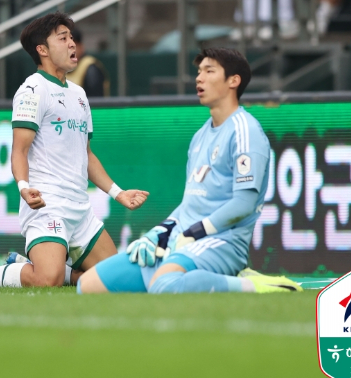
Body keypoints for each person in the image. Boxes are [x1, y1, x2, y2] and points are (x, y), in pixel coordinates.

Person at [0, 12, 149, 289]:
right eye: (63, 38)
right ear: (42, 50)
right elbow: (19, 151)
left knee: (116, 282)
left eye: (72, 37)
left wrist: (118, 192)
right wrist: (24, 186)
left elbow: (86, 154)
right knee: (46, 279)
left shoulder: (79, 94)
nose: (72, 44)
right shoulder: (32, 90)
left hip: (80, 210)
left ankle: (24, 265)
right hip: (47, 206)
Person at [77, 48, 302, 295]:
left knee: (164, 285)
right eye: (198, 71)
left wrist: (196, 231)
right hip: (184, 239)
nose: (199, 78)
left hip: (222, 242)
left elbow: (244, 203)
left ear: (233, 81)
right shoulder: (199, 136)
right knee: (87, 286)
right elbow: (190, 205)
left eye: (209, 71)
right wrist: (158, 233)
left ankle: (255, 286)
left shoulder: (245, 130)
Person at [65, 28, 109, 97]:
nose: (69, 50)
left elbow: (95, 101)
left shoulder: (90, 68)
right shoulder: (58, 68)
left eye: (72, 46)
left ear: (81, 46)